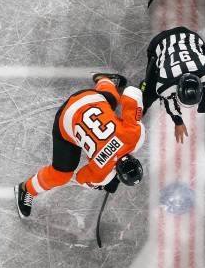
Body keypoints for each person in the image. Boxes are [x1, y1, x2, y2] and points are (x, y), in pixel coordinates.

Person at [15, 74, 145, 218]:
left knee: (112, 98)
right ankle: (26, 189)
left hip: (87, 97)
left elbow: (131, 93)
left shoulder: (134, 136)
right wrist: (101, 183)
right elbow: (81, 178)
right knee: (61, 175)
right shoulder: (100, 174)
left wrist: (135, 118)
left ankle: (104, 80)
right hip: (64, 120)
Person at [141, 26, 205, 143]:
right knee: (149, 91)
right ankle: (137, 114)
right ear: (176, 88)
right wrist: (178, 121)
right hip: (160, 42)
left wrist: (177, 121)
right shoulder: (164, 84)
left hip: (190, 37)